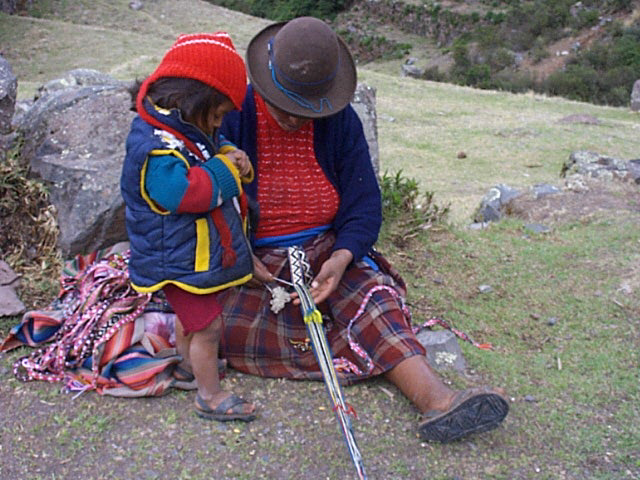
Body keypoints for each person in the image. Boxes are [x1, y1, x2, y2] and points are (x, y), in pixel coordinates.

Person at [218, 17, 509, 442]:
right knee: (223, 324)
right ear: (265, 86)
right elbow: (212, 206)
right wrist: (243, 258)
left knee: (375, 301)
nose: (297, 120)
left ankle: (438, 401)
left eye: (306, 109)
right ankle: (365, 346)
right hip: (256, 263)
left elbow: (364, 205)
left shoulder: (339, 123)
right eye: (287, 107)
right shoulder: (234, 119)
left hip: (326, 250)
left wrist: (341, 257)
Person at [120, 32, 257, 422]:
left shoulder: (179, 127)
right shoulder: (155, 150)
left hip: (182, 254)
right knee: (209, 326)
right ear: (192, 99)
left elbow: (204, 147)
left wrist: (226, 151)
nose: (219, 123)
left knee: (191, 320)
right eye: (216, 115)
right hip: (172, 260)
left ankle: (187, 367)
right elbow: (185, 194)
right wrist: (226, 171)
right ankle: (209, 395)